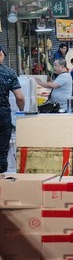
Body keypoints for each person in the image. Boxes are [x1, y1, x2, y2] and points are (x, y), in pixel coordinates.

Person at [0, 44, 24, 173]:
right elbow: (20, 97)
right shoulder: (9, 72)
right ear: (1, 54)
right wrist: (21, 112)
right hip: (2, 115)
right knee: (2, 152)